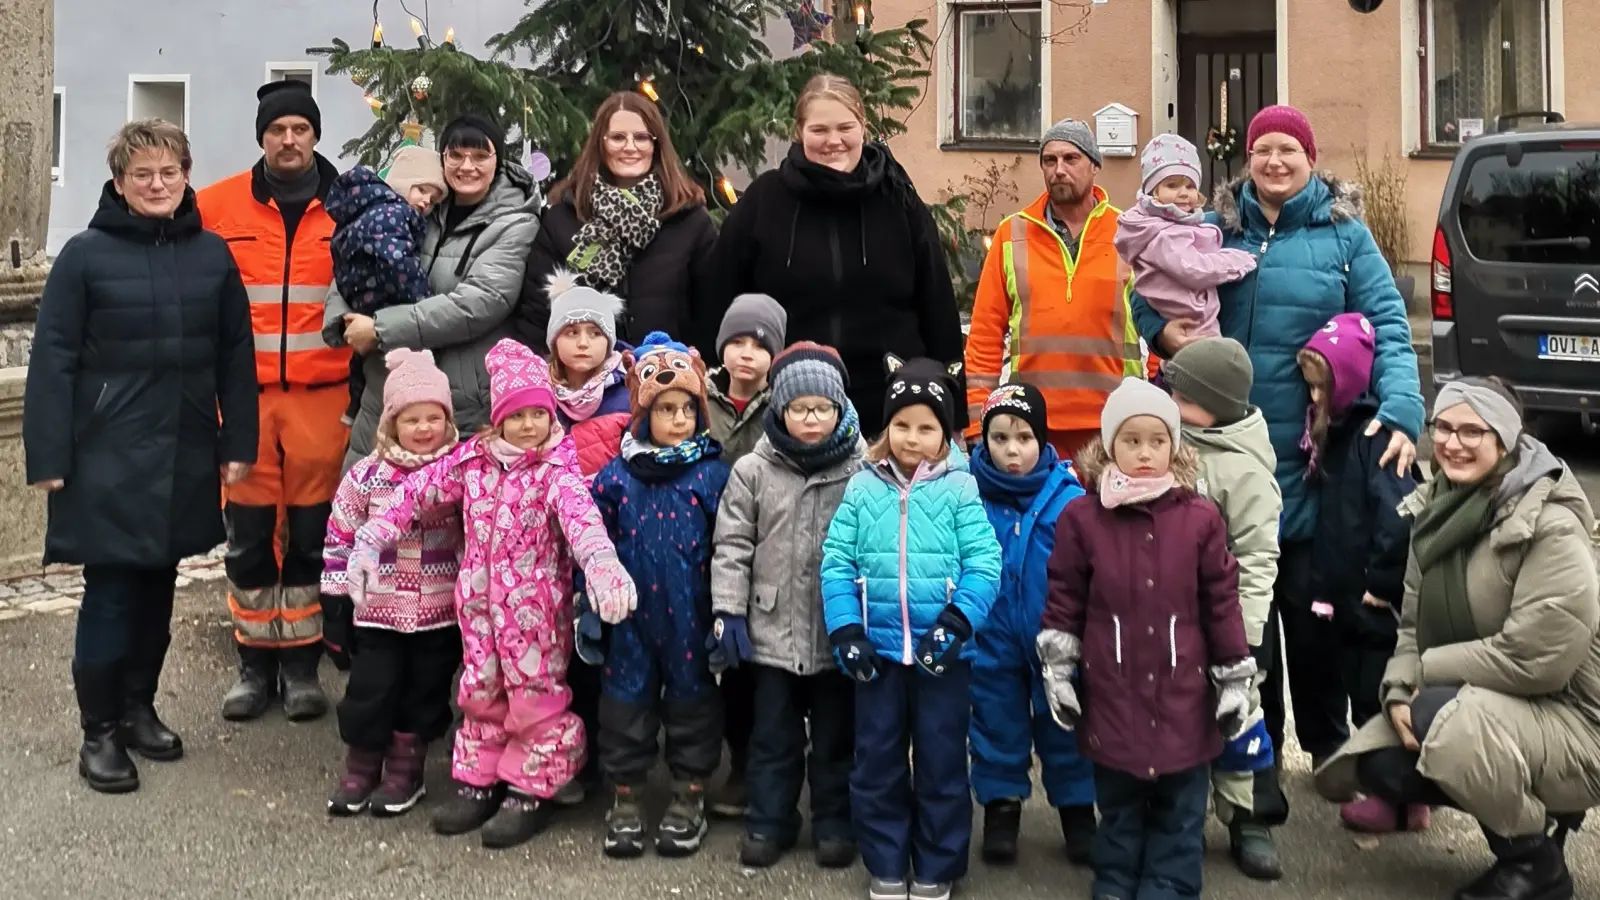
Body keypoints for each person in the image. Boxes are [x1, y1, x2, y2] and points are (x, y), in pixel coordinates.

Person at [1132, 104, 1426, 823]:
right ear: (1248, 160)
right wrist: (1161, 335)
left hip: (1315, 457)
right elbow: (1146, 286)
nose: (1274, 161)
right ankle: (1254, 761)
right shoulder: (1214, 231)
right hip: (1229, 454)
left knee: (1313, 611)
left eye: (1288, 149)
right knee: (1242, 618)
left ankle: (1330, 751)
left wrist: (1402, 408)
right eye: (1262, 149)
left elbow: (1389, 326)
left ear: (1309, 159)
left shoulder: (1345, 237)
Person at [24, 119, 258, 793]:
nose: (157, 185)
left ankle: (138, 708)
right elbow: (53, 358)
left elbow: (235, 355)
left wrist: (238, 440)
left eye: (168, 172)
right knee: (112, 590)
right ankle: (99, 732)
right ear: (120, 183)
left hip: (185, 445)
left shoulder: (212, 255)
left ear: (186, 177)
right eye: (143, 175)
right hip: (107, 453)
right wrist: (49, 455)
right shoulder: (84, 256)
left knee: (158, 589)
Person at [347, 338, 637, 849]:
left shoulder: (556, 473)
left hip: (534, 617)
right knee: (480, 692)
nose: (528, 426)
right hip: (478, 613)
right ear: (498, 418)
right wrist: (371, 538)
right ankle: (479, 779)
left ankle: (531, 786)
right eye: (516, 415)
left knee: (534, 698)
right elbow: (414, 494)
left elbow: (584, 525)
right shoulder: (471, 462)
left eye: (538, 414)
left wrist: (603, 566)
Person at [1317, 377, 1599, 900]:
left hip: (1575, 719)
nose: (1452, 443)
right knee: (1383, 764)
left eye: (1472, 431)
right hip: (1491, 700)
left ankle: (1535, 865)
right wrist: (1398, 690)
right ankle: (1524, 813)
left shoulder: (1551, 525)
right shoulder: (1436, 511)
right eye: (1443, 427)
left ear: (1506, 438)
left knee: (1439, 718)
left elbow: (1538, 660)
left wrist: (1426, 676)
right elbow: (1410, 626)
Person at [1036, 378, 1259, 900]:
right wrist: (1059, 669)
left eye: (1157, 441)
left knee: (1181, 808)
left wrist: (1233, 677)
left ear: (1174, 447)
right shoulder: (1083, 518)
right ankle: (1115, 880)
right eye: (1131, 440)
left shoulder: (1200, 518)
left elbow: (1221, 601)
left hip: (1184, 691)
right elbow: (1065, 595)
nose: (1144, 453)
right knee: (1119, 804)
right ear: (1109, 444)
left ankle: (1170, 884)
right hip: (1113, 689)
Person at [821, 355, 1002, 900]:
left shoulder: (960, 488)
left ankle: (937, 863)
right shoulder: (862, 487)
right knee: (877, 761)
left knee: (941, 763)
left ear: (945, 432)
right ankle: (886, 861)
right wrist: (846, 630)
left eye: (926, 427)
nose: (913, 438)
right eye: (902, 425)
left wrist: (958, 621)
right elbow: (836, 562)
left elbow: (985, 563)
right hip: (877, 654)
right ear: (886, 426)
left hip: (942, 656)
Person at [198, 80, 350, 722]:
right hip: (245, 401)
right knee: (250, 540)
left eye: (300, 129)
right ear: (261, 136)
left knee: (314, 539)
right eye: (277, 130)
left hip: (323, 400)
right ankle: (254, 664)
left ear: (315, 135)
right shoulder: (214, 206)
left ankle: (302, 666)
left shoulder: (350, 205)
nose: (289, 140)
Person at [707, 74, 965, 433]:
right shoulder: (764, 201)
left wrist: (953, 410)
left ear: (863, 127)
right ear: (799, 132)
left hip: (890, 414)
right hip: (792, 411)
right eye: (819, 130)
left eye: (845, 127)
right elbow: (717, 297)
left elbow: (937, 305)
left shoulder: (897, 198)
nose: (833, 141)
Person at [708, 342, 865, 869]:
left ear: (840, 409)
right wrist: (728, 610)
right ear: (780, 410)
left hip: (835, 631)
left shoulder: (861, 470)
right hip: (771, 631)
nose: (811, 419)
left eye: (822, 408)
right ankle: (770, 820)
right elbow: (732, 545)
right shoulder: (753, 470)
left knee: (835, 739)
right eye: (800, 408)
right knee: (772, 737)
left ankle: (834, 821)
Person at [326, 114, 542, 466]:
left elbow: (481, 302)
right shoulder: (421, 201)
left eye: (480, 156)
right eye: (455, 155)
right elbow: (354, 259)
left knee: (443, 499)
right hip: (388, 389)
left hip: (461, 403)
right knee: (372, 495)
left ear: (498, 160)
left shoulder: (515, 222)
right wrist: (344, 320)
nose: (467, 166)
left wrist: (379, 329)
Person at [590, 331, 731, 859]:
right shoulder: (616, 477)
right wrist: (588, 600)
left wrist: (726, 610)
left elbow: (730, 545)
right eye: (666, 409)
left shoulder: (712, 475)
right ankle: (626, 795)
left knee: (693, 704)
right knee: (625, 705)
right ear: (644, 414)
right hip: (629, 617)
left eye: (687, 409)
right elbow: (591, 540)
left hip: (691, 616)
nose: (678, 420)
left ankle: (689, 793)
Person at [1290, 314, 1424, 837]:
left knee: (1378, 697)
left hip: (1372, 601)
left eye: (1321, 386)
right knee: (1362, 689)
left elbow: (1399, 516)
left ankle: (1395, 796)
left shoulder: (1375, 439)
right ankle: (1402, 795)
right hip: (1348, 597)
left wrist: (1382, 583)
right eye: (1310, 386)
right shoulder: (1340, 433)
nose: (1314, 396)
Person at [321, 349, 462, 819]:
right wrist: (335, 599)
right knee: (371, 688)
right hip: (376, 610)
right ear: (391, 423)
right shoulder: (366, 477)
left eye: (433, 418)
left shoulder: (459, 474)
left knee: (424, 691)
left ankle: (406, 767)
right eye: (411, 419)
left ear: (448, 420)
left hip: (438, 611)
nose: (423, 429)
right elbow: (340, 535)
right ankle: (362, 764)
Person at [1165, 338, 1285, 878]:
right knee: (1177, 716)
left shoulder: (1246, 473)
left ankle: (1247, 817)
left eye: (1184, 396)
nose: (1172, 401)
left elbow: (1258, 559)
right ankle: (1176, 815)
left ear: (1213, 405)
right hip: (1170, 620)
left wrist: (1248, 634)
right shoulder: (1169, 445)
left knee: (1238, 715)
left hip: (1229, 624)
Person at [965, 383, 1098, 866]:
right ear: (984, 440)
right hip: (991, 636)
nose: (1012, 451)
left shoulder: (1069, 498)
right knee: (996, 724)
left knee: (1066, 726)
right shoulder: (967, 494)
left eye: (1024, 438)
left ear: (1042, 439)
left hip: (1054, 638)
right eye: (999, 438)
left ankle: (1078, 812)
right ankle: (1001, 809)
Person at [964, 118, 1148, 459]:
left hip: (1114, 422)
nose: (1059, 170)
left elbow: (1157, 322)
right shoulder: (1012, 234)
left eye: (1071, 159)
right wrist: (977, 421)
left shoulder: (1130, 233)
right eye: (1049, 160)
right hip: (1030, 425)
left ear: (1094, 166)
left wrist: (1162, 408)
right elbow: (985, 334)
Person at [514, 91, 717, 354]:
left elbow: (710, 313)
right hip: (584, 376)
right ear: (601, 144)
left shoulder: (690, 222)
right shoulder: (563, 219)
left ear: (656, 145)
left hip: (665, 372)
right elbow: (537, 315)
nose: (630, 147)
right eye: (618, 137)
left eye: (641, 137)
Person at [538, 270, 635, 803]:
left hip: (608, 546)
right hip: (548, 548)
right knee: (557, 656)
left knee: (601, 654)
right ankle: (561, 756)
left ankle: (602, 760)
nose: (582, 343)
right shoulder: (536, 396)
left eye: (594, 333)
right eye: (571, 332)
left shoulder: (628, 393)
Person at [703, 290, 787, 817]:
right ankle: (708, 760)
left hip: (762, 550)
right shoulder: (698, 396)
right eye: (737, 342)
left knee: (750, 668)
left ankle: (750, 766)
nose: (747, 354)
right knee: (714, 660)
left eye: (759, 345)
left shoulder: (784, 405)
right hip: (698, 545)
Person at [1111, 134, 1257, 374]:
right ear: (1153, 192)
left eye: (1190, 186)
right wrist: (1161, 334)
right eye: (1172, 185)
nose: (1183, 193)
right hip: (1198, 327)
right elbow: (1191, 269)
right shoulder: (1167, 233)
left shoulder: (1176, 226)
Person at [325, 147, 448, 429]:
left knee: (362, 359)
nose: (426, 202)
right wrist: (421, 299)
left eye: (433, 199)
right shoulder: (393, 214)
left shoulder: (365, 209)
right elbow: (397, 261)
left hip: (360, 291)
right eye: (421, 190)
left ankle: (353, 406)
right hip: (382, 291)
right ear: (403, 182)